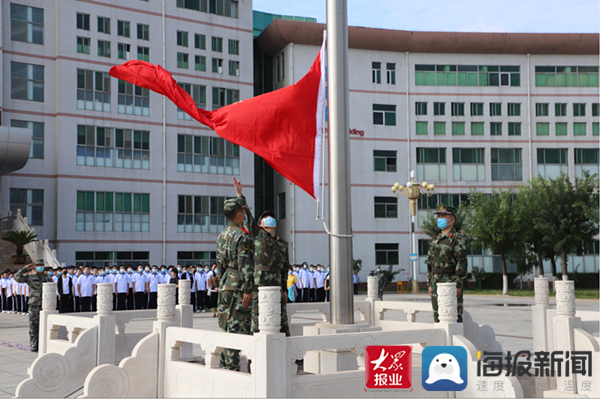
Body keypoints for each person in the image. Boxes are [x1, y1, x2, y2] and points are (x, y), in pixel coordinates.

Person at [216, 186, 254, 372]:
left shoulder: (221, 236)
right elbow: (245, 265)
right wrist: (248, 289)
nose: (246, 215)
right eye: (244, 213)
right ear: (239, 215)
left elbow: (220, 264)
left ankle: (225, 367)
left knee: (226, 327)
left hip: (225, 284)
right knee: (237, 329)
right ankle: (231, 370)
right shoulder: (242, 237)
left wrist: (220, 280)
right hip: (239, 286)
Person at [426, 205, 468, 323]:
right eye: (439, 215)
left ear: (452, 219)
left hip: (450, 284)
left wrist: (458, 285)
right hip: (435, 284)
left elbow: (462, 262)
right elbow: (430, 263)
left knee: (453, 318)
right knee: (438, 318)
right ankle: (441, 342)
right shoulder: (434, 240)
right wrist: (429, 283)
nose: (440, 218)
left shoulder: (456, 239)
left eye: (443, 215)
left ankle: (454, 342)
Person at [14, 259, 52, 352]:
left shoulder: (48, 278)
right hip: (34, 304)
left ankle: (44, 343)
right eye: (38, 265)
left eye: (42, 264)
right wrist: (25, 268)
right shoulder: (30, 277)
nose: (40, 266)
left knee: (45, 325)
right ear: (34, 267)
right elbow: (17, 277)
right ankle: (34, 344)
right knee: (33, 325)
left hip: (45, 305)